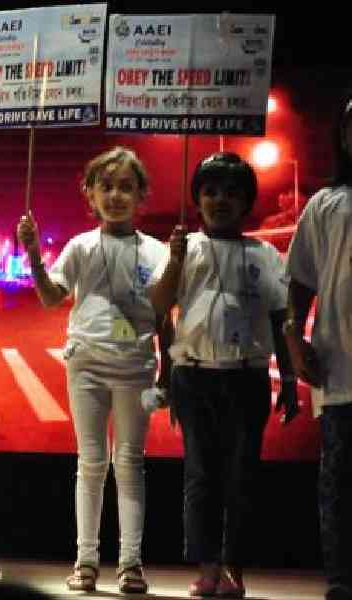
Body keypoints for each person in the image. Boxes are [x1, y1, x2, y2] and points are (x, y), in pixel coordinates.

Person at [17, 146, 171, 594]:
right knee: (91, 461)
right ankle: (85, 562)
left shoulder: (157, 251)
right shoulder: (80, 246)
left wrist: (167, 373)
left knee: (130, 462)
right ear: (90, 193)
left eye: (126, 187)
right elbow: (51, 297)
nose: (116, 195)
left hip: (136, 368)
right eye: (106, 186)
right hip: (85, 364)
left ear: (141, 195)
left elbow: (164, 315)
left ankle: (130, 564)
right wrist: (33, 254)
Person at [149, 152, 299, 598]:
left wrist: (290, 381)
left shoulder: (264, 255)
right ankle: (207, 566)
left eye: (232, 193)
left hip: (246, 379)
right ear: (197, 199)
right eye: (210, 191)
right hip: (193, 378)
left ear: (247, 202)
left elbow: (280, 318)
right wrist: (175, 261)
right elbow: (159, 307)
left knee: (241, 476)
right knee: (200, 475)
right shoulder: (184, 248)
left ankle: (235, 566)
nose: (220, 200)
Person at [284, 94, 352, 600]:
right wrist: (293, 338)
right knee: (340, 484)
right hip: (342, 371)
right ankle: (342, 579)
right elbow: (299, 281)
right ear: (343, 138)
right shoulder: (326, 204)